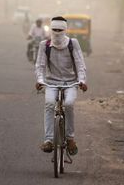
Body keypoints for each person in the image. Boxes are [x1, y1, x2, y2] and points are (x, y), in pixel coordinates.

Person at [35, 16, 87, 155]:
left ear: (65, 30)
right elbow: (40, 66)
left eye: (60, 30)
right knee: (49, 104)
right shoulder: (44, 45)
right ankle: (49, 140)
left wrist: (82, 80)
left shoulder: (73, 43)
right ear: (51, 30)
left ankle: (70, 138)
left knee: (69, 104)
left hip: (70, 83)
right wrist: (40, 80)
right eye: (54, 30)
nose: (57, 32)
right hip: (51, 83)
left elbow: (80, 64)